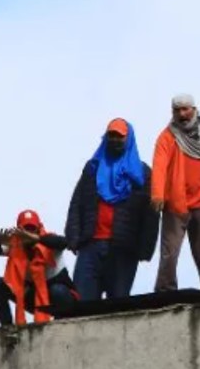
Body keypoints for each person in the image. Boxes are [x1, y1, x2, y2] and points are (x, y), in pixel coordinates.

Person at [66, 118, 159, 301]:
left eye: (120, 136)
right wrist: (73, 238)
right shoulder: (93, 168)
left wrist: (145, 249)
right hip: (90, 247)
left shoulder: (143, 173)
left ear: (128, 139)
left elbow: (151, 215)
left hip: (123, 248)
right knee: (81, 305)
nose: (115, 140)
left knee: (117, 305)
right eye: (111, 136)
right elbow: (77, 203)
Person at [151, 94, 200, 294]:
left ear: (194, 109)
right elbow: (159, 166)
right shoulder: (167, 136)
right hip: (176, 204)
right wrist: (157, 194)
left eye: (185, 109)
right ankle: (165, 290)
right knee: (170, 253)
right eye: (177, 110)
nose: (182, 114)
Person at [0, 209, 78, 326]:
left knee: (57, 290)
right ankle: (7, 329)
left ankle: (58, 327)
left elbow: (64, 242)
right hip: (32, 299)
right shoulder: (15, 247)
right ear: (18, 231)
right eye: (25, 229)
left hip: (58, 299)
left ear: (38, 228)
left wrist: (36, 238)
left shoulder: (49, 243)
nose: (27, 233)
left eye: (32, 229)